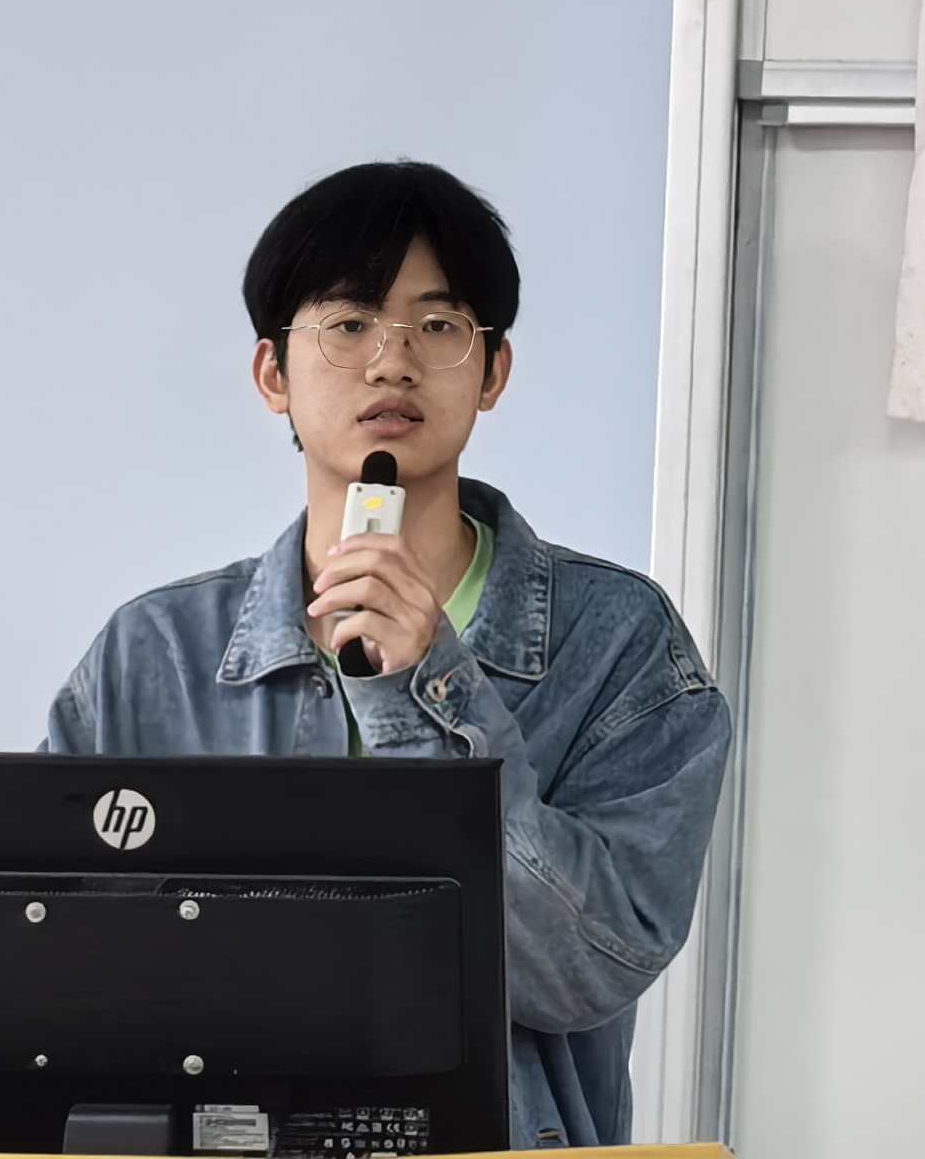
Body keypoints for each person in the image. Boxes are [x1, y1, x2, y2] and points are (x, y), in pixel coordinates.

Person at [44, 162, 731, 1150]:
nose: (392, 361)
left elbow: (590, 968)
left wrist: (425, 692)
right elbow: (53, 964)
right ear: (273, 373)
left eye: (438, 325)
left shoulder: (620, 644)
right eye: (349, 322)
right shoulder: (155, 653)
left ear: (492, 372)